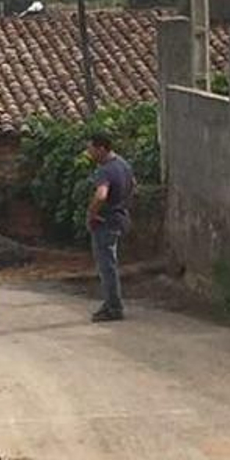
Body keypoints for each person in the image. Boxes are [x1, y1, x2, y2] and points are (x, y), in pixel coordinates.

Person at [85, 131, 136, 323]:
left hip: (105, 222)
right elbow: (134, 185)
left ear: (101, 148)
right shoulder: (123, 165)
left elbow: (101, 195)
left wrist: (91, 214)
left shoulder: (104, 170)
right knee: (110, 263)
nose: (89, 153)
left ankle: (113, 307)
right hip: (120, 218)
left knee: (106, 266)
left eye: (91, 149)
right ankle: (112, 304)